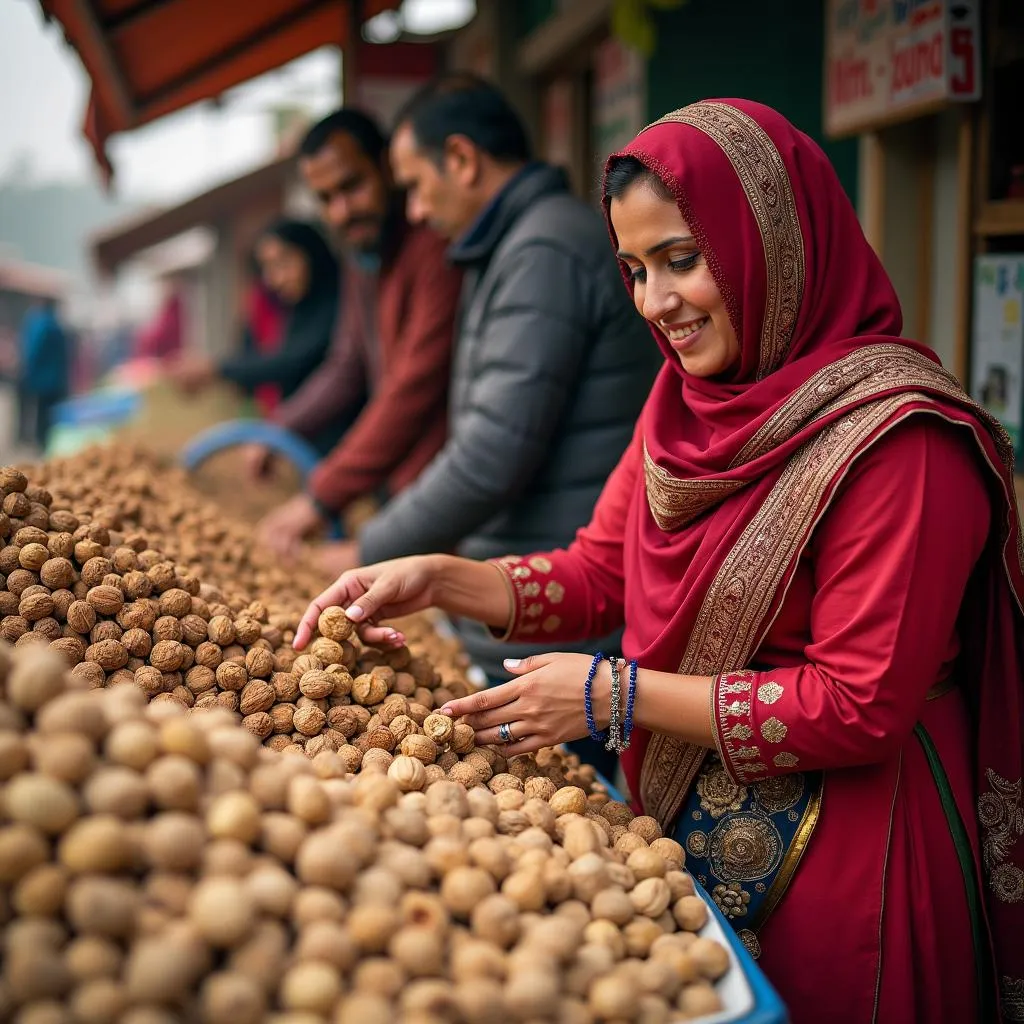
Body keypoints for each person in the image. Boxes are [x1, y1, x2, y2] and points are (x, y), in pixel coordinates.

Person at [295, 99, 1024, 1024]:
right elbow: (603, 568)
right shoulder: (684, 407)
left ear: (775, 241)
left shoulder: (902, 442)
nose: (656, 303)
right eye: (636, 271)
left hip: (862, 864)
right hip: (689, 846)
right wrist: (437, 577)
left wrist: (615, 698)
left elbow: (859, 705)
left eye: (684, 260)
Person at [341, 74, 658, 701]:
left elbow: (491, 453)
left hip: (565, 622)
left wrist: (371, 547)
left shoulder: (543, 248)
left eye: (414, 185)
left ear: (460, 159)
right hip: (544, 597)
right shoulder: (516, 243)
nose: (414, 212)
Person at [254, 108, 461, 555]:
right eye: (326, 199)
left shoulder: (433, 249)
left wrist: (321, 496)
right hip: (398, 490)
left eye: (352, 187)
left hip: (445, 495)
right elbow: (345, 365)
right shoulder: (361, 258)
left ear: (388, 168)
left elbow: (412, 388)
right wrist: (279, 429)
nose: (342, 211)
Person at [169, 219, 345, 460]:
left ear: (313, 255)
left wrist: (216, 368)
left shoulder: (339, 306)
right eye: (268, 268)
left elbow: (290, 362)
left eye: (284, 263)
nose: (275, 279)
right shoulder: (297, 312)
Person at [17, 297, 71, 451]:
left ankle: (41, 445)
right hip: (55, 380)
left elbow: (33, 351)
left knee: (41, 415)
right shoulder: (56, 325)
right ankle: (46, 444)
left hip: (41, 380)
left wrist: (25, 370)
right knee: (51, 416)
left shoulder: (40, 324)